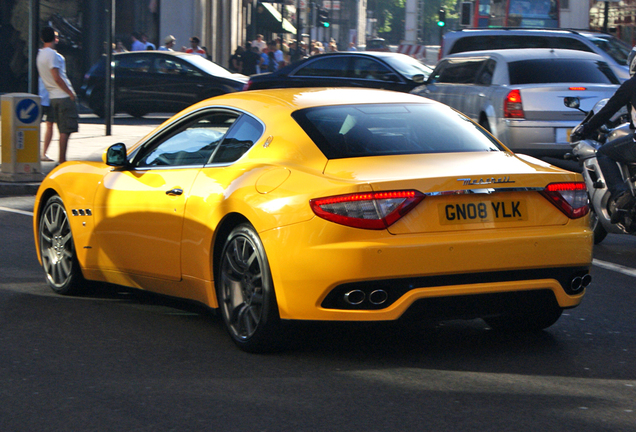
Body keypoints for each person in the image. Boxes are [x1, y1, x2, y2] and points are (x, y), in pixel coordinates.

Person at [571, 74, 636, 223]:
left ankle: (622, 195)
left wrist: (586, 129)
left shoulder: (632, 84)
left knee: (604, 153)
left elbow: (609, 110)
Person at [36, 26, 78, 164]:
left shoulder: (40, 54)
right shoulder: (53, 55)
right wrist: (70, 93)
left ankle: (59, 158)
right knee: (65, 130)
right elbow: (57, 77)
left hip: (52, 96)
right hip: (62, 96)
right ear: (55, 38)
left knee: (59, 128)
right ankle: (62, 160)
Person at [38, 77, 54, 161]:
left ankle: (44, 153)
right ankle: (36, 152)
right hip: (39, 96)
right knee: (35, 125)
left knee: (50, 124)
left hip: (52, 96)